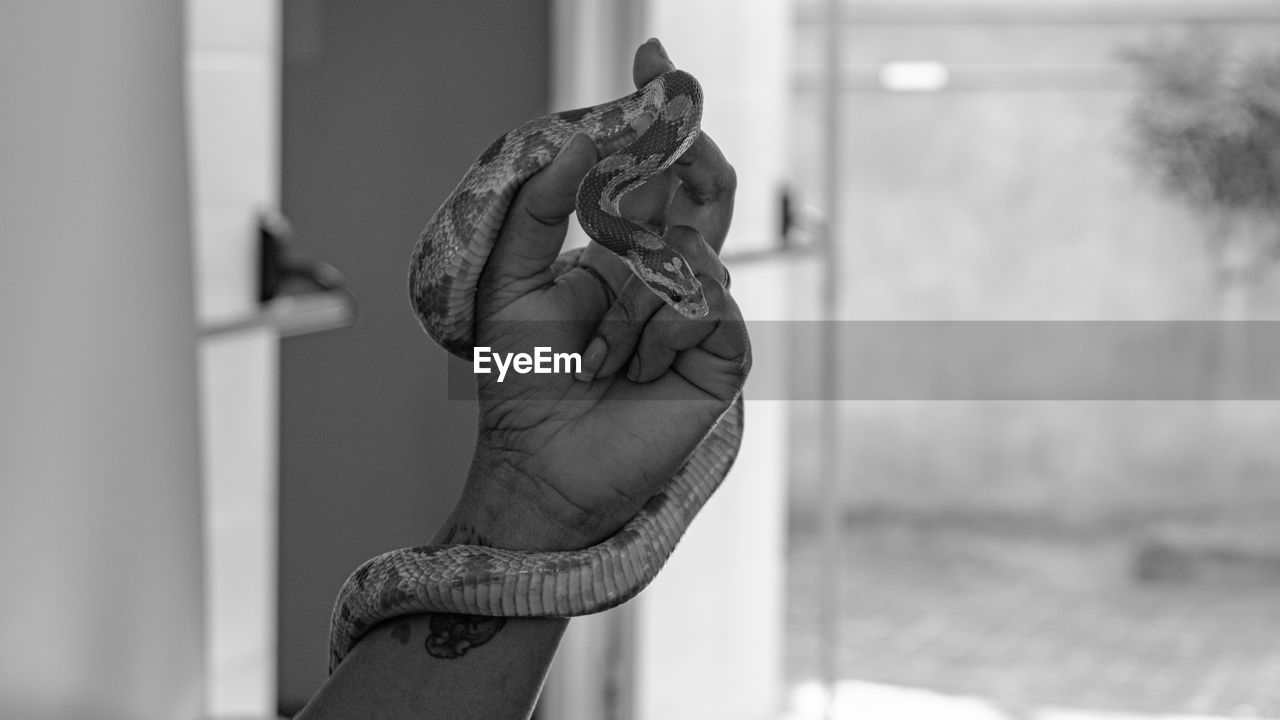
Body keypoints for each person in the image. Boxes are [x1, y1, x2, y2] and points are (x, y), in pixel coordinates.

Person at [296, 38, 748, 720]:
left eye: (679, 290)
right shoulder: (598, 202)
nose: (686, 297)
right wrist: (534, 487)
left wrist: (540, 498)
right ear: (647, 261)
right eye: (673, 287)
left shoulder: (614, 205)